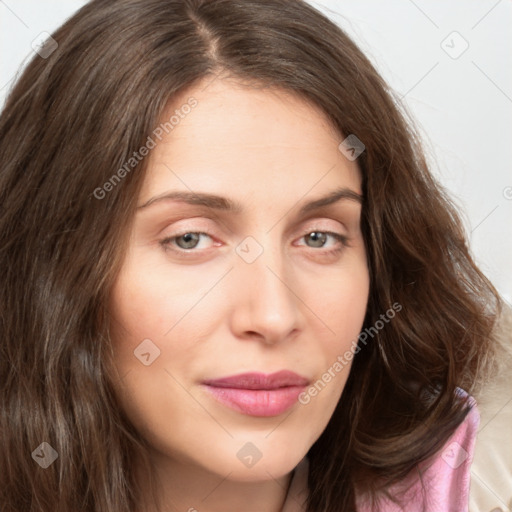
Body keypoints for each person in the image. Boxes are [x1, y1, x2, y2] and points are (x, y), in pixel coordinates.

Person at [0, 1, 508, 511]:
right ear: (54, 265)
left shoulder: (480, 482)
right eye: (190, 239)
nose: (273, 316)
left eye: (318, 238)